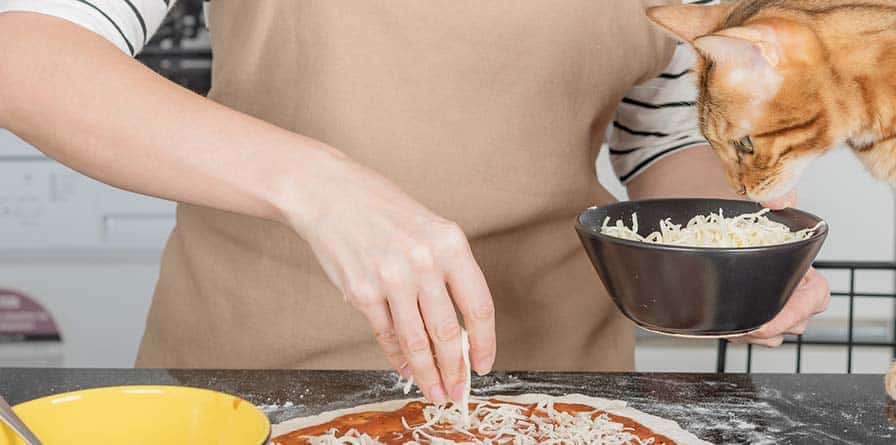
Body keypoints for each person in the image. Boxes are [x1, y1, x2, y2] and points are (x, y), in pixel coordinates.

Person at [0, 0, 831, 403]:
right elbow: (23, 46)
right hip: (258, 376)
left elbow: (660, 134)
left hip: (556, 386)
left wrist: (731, 249)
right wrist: (318, 185)